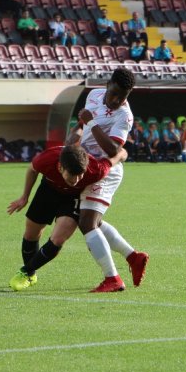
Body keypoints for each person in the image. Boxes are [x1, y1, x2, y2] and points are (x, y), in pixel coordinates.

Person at [69, 68, 148, 292]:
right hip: (86, 165)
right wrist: (73, 136)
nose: (116, 100)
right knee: (95, 223)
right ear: (107, 84)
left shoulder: (125, 116)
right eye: (113, 94)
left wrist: (91, 123)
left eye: (122, 97)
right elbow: (81, 125)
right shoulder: (93, 95)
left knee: (86, 223)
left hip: (105, 168)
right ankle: (133, 257)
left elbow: (114, 149)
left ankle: (112, 278)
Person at [7, 144, 128, 291]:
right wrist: (24, 196)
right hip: (49, 189)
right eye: (72, 175)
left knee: (58, 239)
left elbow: (116, 157)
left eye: (81, 175)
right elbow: (32, 169)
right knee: (31, 233)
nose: (77, 179)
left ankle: (25, 272)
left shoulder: (95, 169)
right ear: (60, 168)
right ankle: (31, 274)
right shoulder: (47, 159)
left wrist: (122, 153)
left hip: (73, 199)